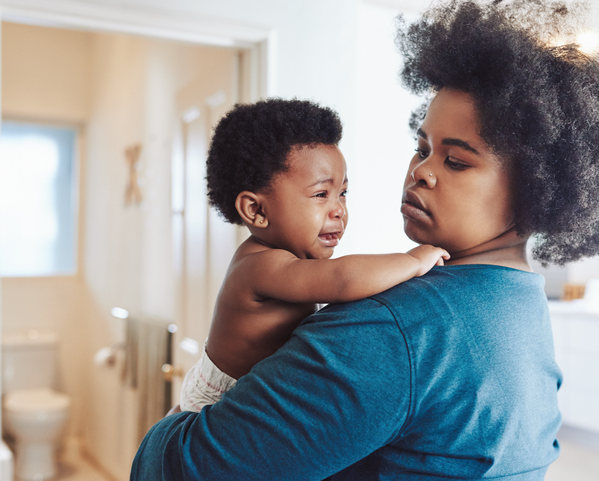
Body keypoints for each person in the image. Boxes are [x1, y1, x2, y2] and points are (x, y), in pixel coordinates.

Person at [131, 0, 599, 479]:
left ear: (536, 187)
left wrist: (165, 433)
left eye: (456, 159)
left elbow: (176, 470)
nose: (421, 171)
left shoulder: (391, 329)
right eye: (421, 147)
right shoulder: (521, 308)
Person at [175, 98, 449, 413]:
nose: (339, 210)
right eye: (321, 194)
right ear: (256, 210)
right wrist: (413, 261)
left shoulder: (295, 260)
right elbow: (343, 280)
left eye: (343, 193)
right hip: (218, 398)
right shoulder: (259, 265)